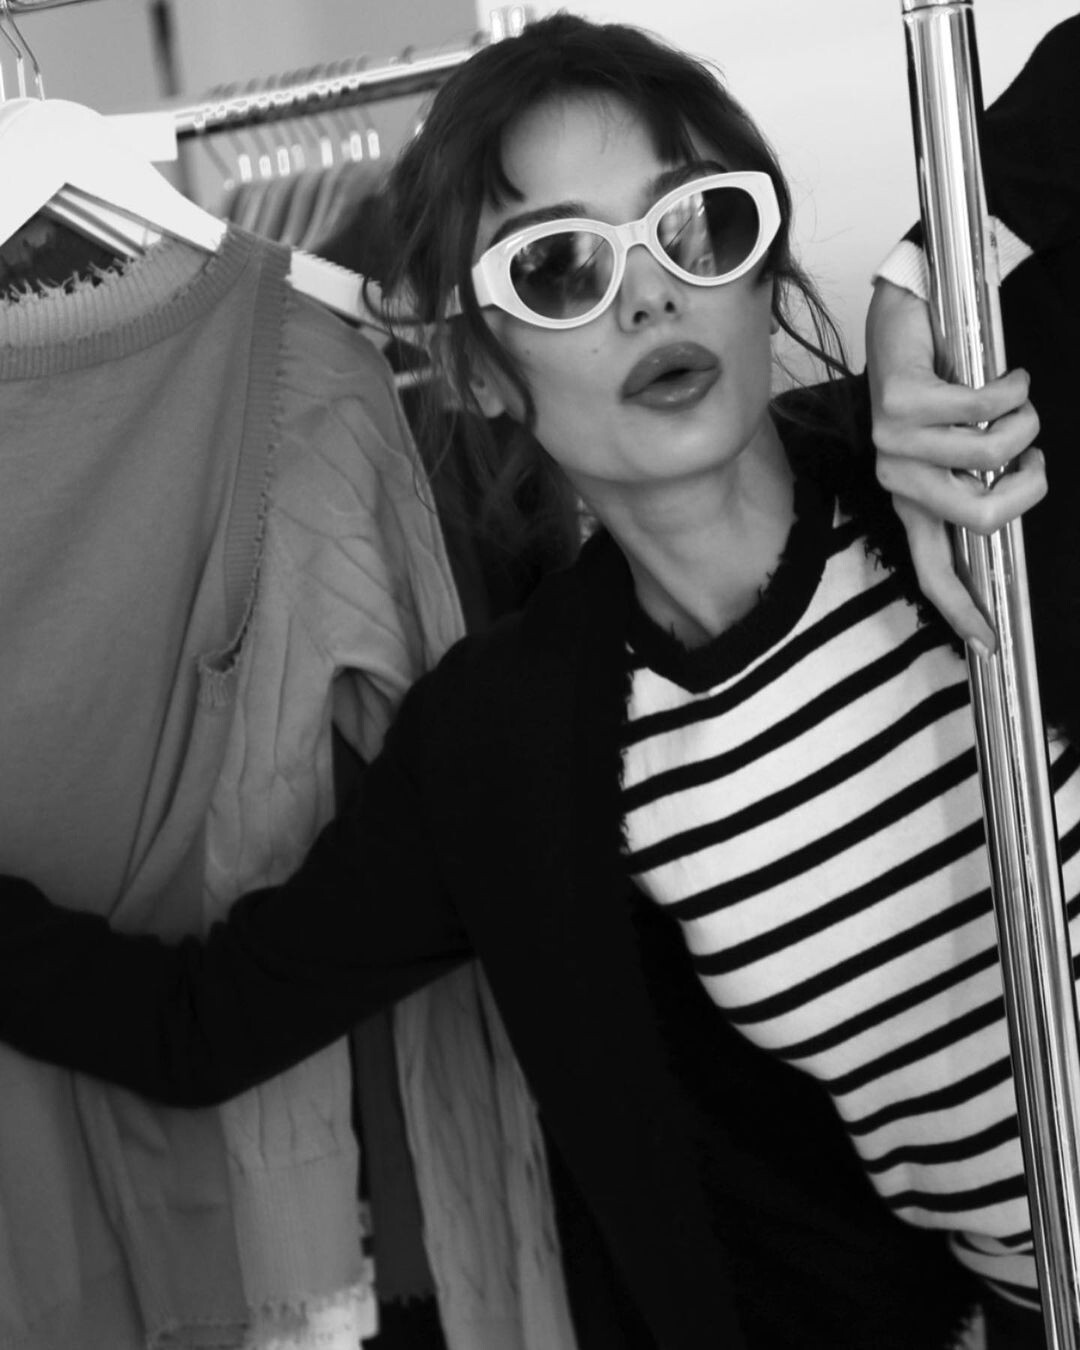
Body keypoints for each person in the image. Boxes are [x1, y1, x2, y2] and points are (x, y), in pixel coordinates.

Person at [1, 13, 1074, 1349]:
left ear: (763, 273)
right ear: (476, 370)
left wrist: (922, 284)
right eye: (560, 266)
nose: (651, 296)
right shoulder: (508, 744)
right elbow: (201, 1027)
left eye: (699, 227)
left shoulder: (973, 445)